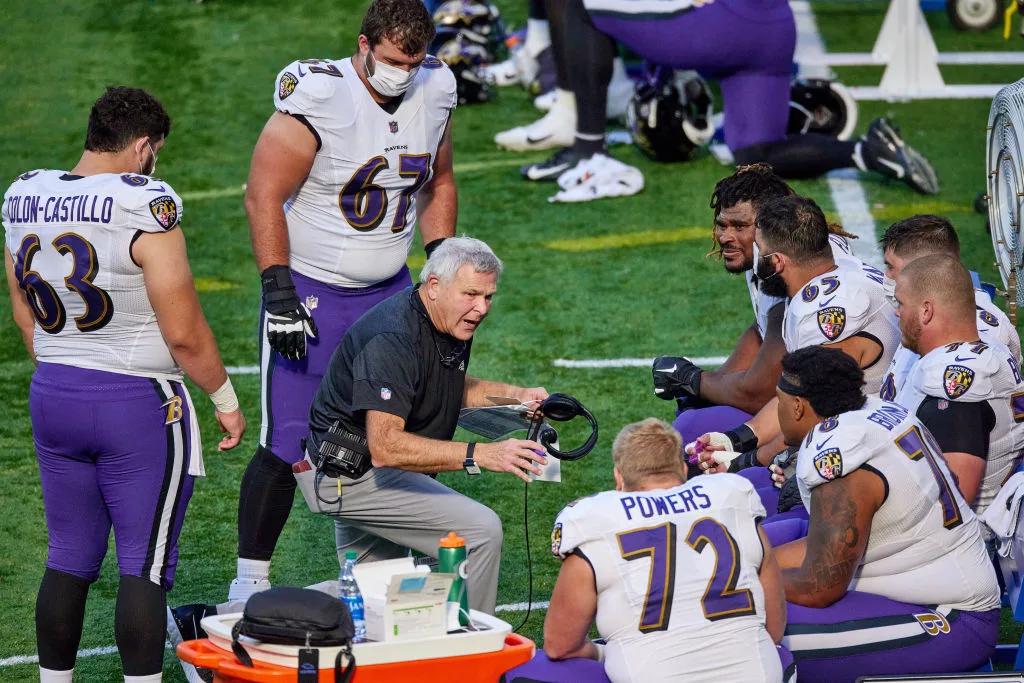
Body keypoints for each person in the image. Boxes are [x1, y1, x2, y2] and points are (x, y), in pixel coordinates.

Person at [1, 86, 246, 683]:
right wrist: (226, 400)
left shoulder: (24, 192)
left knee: (68, 558)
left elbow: (21, 309)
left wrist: (67, 368)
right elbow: (184, 333)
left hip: (53, 393)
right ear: (142, 147)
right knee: (145, 565)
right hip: (136, 403)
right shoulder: (144, 202)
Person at [232, 0, 457, 604]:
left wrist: (443, 265)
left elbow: (439, 180)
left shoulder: (436, 88)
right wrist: (278, 290)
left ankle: (378, 570)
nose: (401, 74)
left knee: (392, 434)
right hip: (311, 289)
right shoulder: (319, 93)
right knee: (287, 442)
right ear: (363, 45)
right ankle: (247, 582)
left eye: (412, 62)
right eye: (389, 61)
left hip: (389, 292)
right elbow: (263, 195)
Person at [297, 237, 547, 614]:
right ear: (434, 287)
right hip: (354, 476)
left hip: (359, 468)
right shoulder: (392, 337)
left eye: (489, 296)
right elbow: (386, 447)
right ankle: (472, 655)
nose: (481, 308)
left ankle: (214, 619)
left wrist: (517, 396)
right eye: (471, 294)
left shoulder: (445, 319)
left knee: (375, 598)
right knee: (480, 533)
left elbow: (442, 382)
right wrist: (480, 454)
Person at [498, 0, 938, 200]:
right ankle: (867, 151)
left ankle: (587, 145)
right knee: (756, 152)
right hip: (772, 23)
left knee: (576, 3)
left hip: (718, 24)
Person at [503, 418, 794, 683]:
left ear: (619, 478)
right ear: (682, 470)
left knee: (528, 671)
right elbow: (774, 629)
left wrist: (605, 654)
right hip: (753, 674)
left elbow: (559, 644)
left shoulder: (592, 519)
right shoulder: (732, 496)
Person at [773, 346, 999, 682]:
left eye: (777, 400)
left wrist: (743, 580)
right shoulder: (870, 411)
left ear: (797, 406)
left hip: (951, 616)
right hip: (910, 575)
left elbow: (820, 587)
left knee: (751, 629)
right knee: (760, 540)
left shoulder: (841, 457)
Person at [653, 165, 860, 452]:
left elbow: (759, 391)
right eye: (722, 224)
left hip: (838, 425)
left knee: (692, 433)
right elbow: (761, 329)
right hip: (811, 405)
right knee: (696, 412)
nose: (725, 237)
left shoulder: (791, 266)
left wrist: (693, 379)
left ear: (769, 225)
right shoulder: (777, 249)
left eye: (739, 226)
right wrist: (711, 384)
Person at [691, 195, 899, 474]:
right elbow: (797, 393)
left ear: (777, 261)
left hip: (862, 447)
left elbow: (812, 409)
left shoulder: (822, 314)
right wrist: (735, 440)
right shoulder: (838, 269)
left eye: (760, 249)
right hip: (854, 427)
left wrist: (744, 462)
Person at [891, 255, 1024, 515]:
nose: (897, 311)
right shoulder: (983, 348)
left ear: (926, 311)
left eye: (901, 303)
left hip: (961, 542)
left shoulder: (956, 382)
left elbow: (953, 503)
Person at [877, 214, 1021, 401]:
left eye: (891, 267)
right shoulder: (928, 315)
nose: (887, 275)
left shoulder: (967, 331)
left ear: (925, 268)